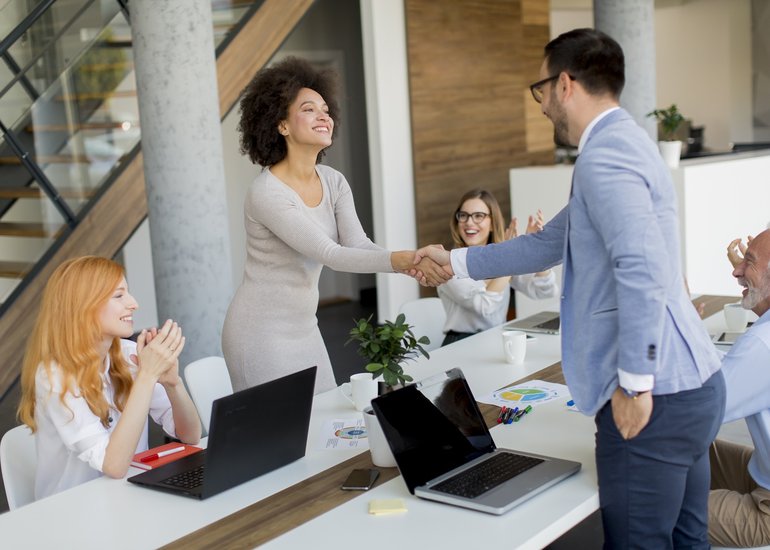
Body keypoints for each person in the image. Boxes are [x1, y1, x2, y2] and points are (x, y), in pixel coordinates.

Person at [416, 29, 724, 547]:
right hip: (691, 387)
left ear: (564, 84)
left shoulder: (605, 158)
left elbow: (641, 270)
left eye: (539, 91)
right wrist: (453, 260)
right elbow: (545, 242)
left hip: (659, 398)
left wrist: (634, 384)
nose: (541, 108)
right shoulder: (623, 144)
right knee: (687, 541)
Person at [221, 57, 446, 395]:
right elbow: (332, 254)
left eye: (325, 109)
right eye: (309, 109)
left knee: (327, 422)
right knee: (283, 439)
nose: (323, 116)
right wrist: (406, 259)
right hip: (259, 334)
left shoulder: (333, 181)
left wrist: (409, 263)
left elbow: (358, 245)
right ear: (280, 124)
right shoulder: (266, 192)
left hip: (304, 328)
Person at [17, 256, 201, 500]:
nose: (133, 304)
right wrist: (147, 376)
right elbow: (113, 466)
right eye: (119, 296)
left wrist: (172, 383)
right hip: (71, 511)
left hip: (128, 496)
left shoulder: (129, 355)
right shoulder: (54, 376)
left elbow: (190, 435)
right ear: (84, 307)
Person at [708, 230, 770, 547]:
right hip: (762, 473)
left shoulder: (762, 345)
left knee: (648, 507)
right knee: (694, 451)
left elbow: (699, 408)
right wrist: (753, 280)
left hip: (767, 510)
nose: (735, 269)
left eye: (748, 261)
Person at [438, 188, 558, 346]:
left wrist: (537, 249)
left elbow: (544, 291)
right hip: (460, 344)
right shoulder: (448, 265)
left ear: (493, 224)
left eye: (478, 216)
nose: (469, 222)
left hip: (496, 339)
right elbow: (485, 308)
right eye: (463, 216)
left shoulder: (498, 258)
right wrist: (509, 257)